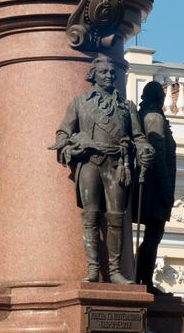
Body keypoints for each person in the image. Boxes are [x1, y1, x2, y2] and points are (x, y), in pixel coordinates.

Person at [54, 56, 152, 282]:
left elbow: (138, 137)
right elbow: (62, 133)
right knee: (90, 216)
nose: (109, 76)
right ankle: (93, 269)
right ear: (93, 75)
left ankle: (115, 271)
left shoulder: (126, 107)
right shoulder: (79, 103)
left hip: (117, 165)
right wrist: (69, 147)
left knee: (117, 217)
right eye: (103, 72)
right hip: (90, 163)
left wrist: (145, 149)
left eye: (111, 72)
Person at [133, 81, 177, 292]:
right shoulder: (154, 118)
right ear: (156, 97)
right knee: (153, 234)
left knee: (151, 235)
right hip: (154, 185)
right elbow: (158, 153)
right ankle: (145, 281)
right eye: (161, 94)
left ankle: (141, 278)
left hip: (149, 183)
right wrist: (166, 186)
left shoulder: (145, 115)